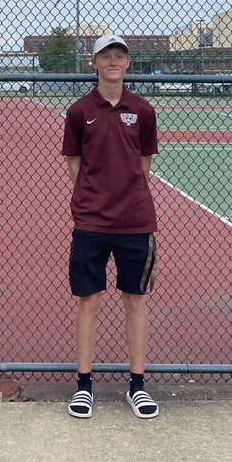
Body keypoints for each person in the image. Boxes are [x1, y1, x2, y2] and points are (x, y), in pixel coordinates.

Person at [61, 34, 160, 419]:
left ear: (127, 63)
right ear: (95, 63)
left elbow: (144, 163)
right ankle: (84, 385)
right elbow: (75, 164)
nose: (113, 61)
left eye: (120, 56)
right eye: (106, 56)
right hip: (90, 222)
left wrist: (122, 196)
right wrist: (95, 197)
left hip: (135, 221)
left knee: (135, 301)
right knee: (89, 301)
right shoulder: (79, 111)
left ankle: (137, 385)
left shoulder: (143, 110)